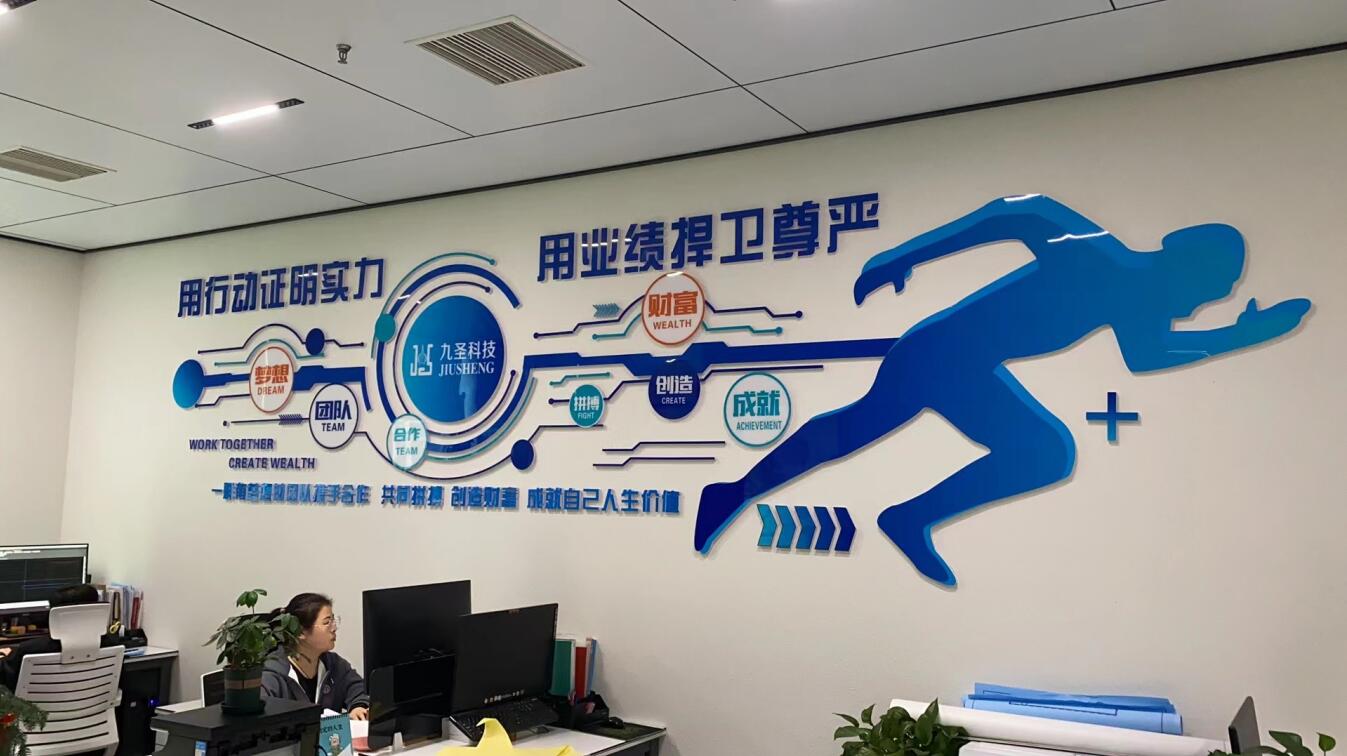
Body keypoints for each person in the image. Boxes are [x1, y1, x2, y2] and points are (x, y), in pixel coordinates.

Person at [694, 194, 1311, 586]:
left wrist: (1241, 335)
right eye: (1209, 293)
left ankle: (902, 516)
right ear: (1184, 264)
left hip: (969, 369)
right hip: (935, 352)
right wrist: (902, 256)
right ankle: (738, 493)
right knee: (849, 433)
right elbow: (1016, 212)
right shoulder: (1098, 256)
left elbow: (1147, 357)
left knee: (1044, 451)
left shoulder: (1137, 306)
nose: (1200, 307)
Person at [260, 593, 368, 720]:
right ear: (300, 632)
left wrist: (358, 706)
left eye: (333, 620)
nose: (334, 628)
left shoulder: (334, 664)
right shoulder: (272, 674)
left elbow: (359, 690)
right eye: (327, 622)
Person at [0, 584, 118, 690]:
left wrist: (7, 656)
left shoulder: (30, 649)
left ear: (55, 613)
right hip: (93, 705)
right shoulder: (113, 644)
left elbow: (8, 678)